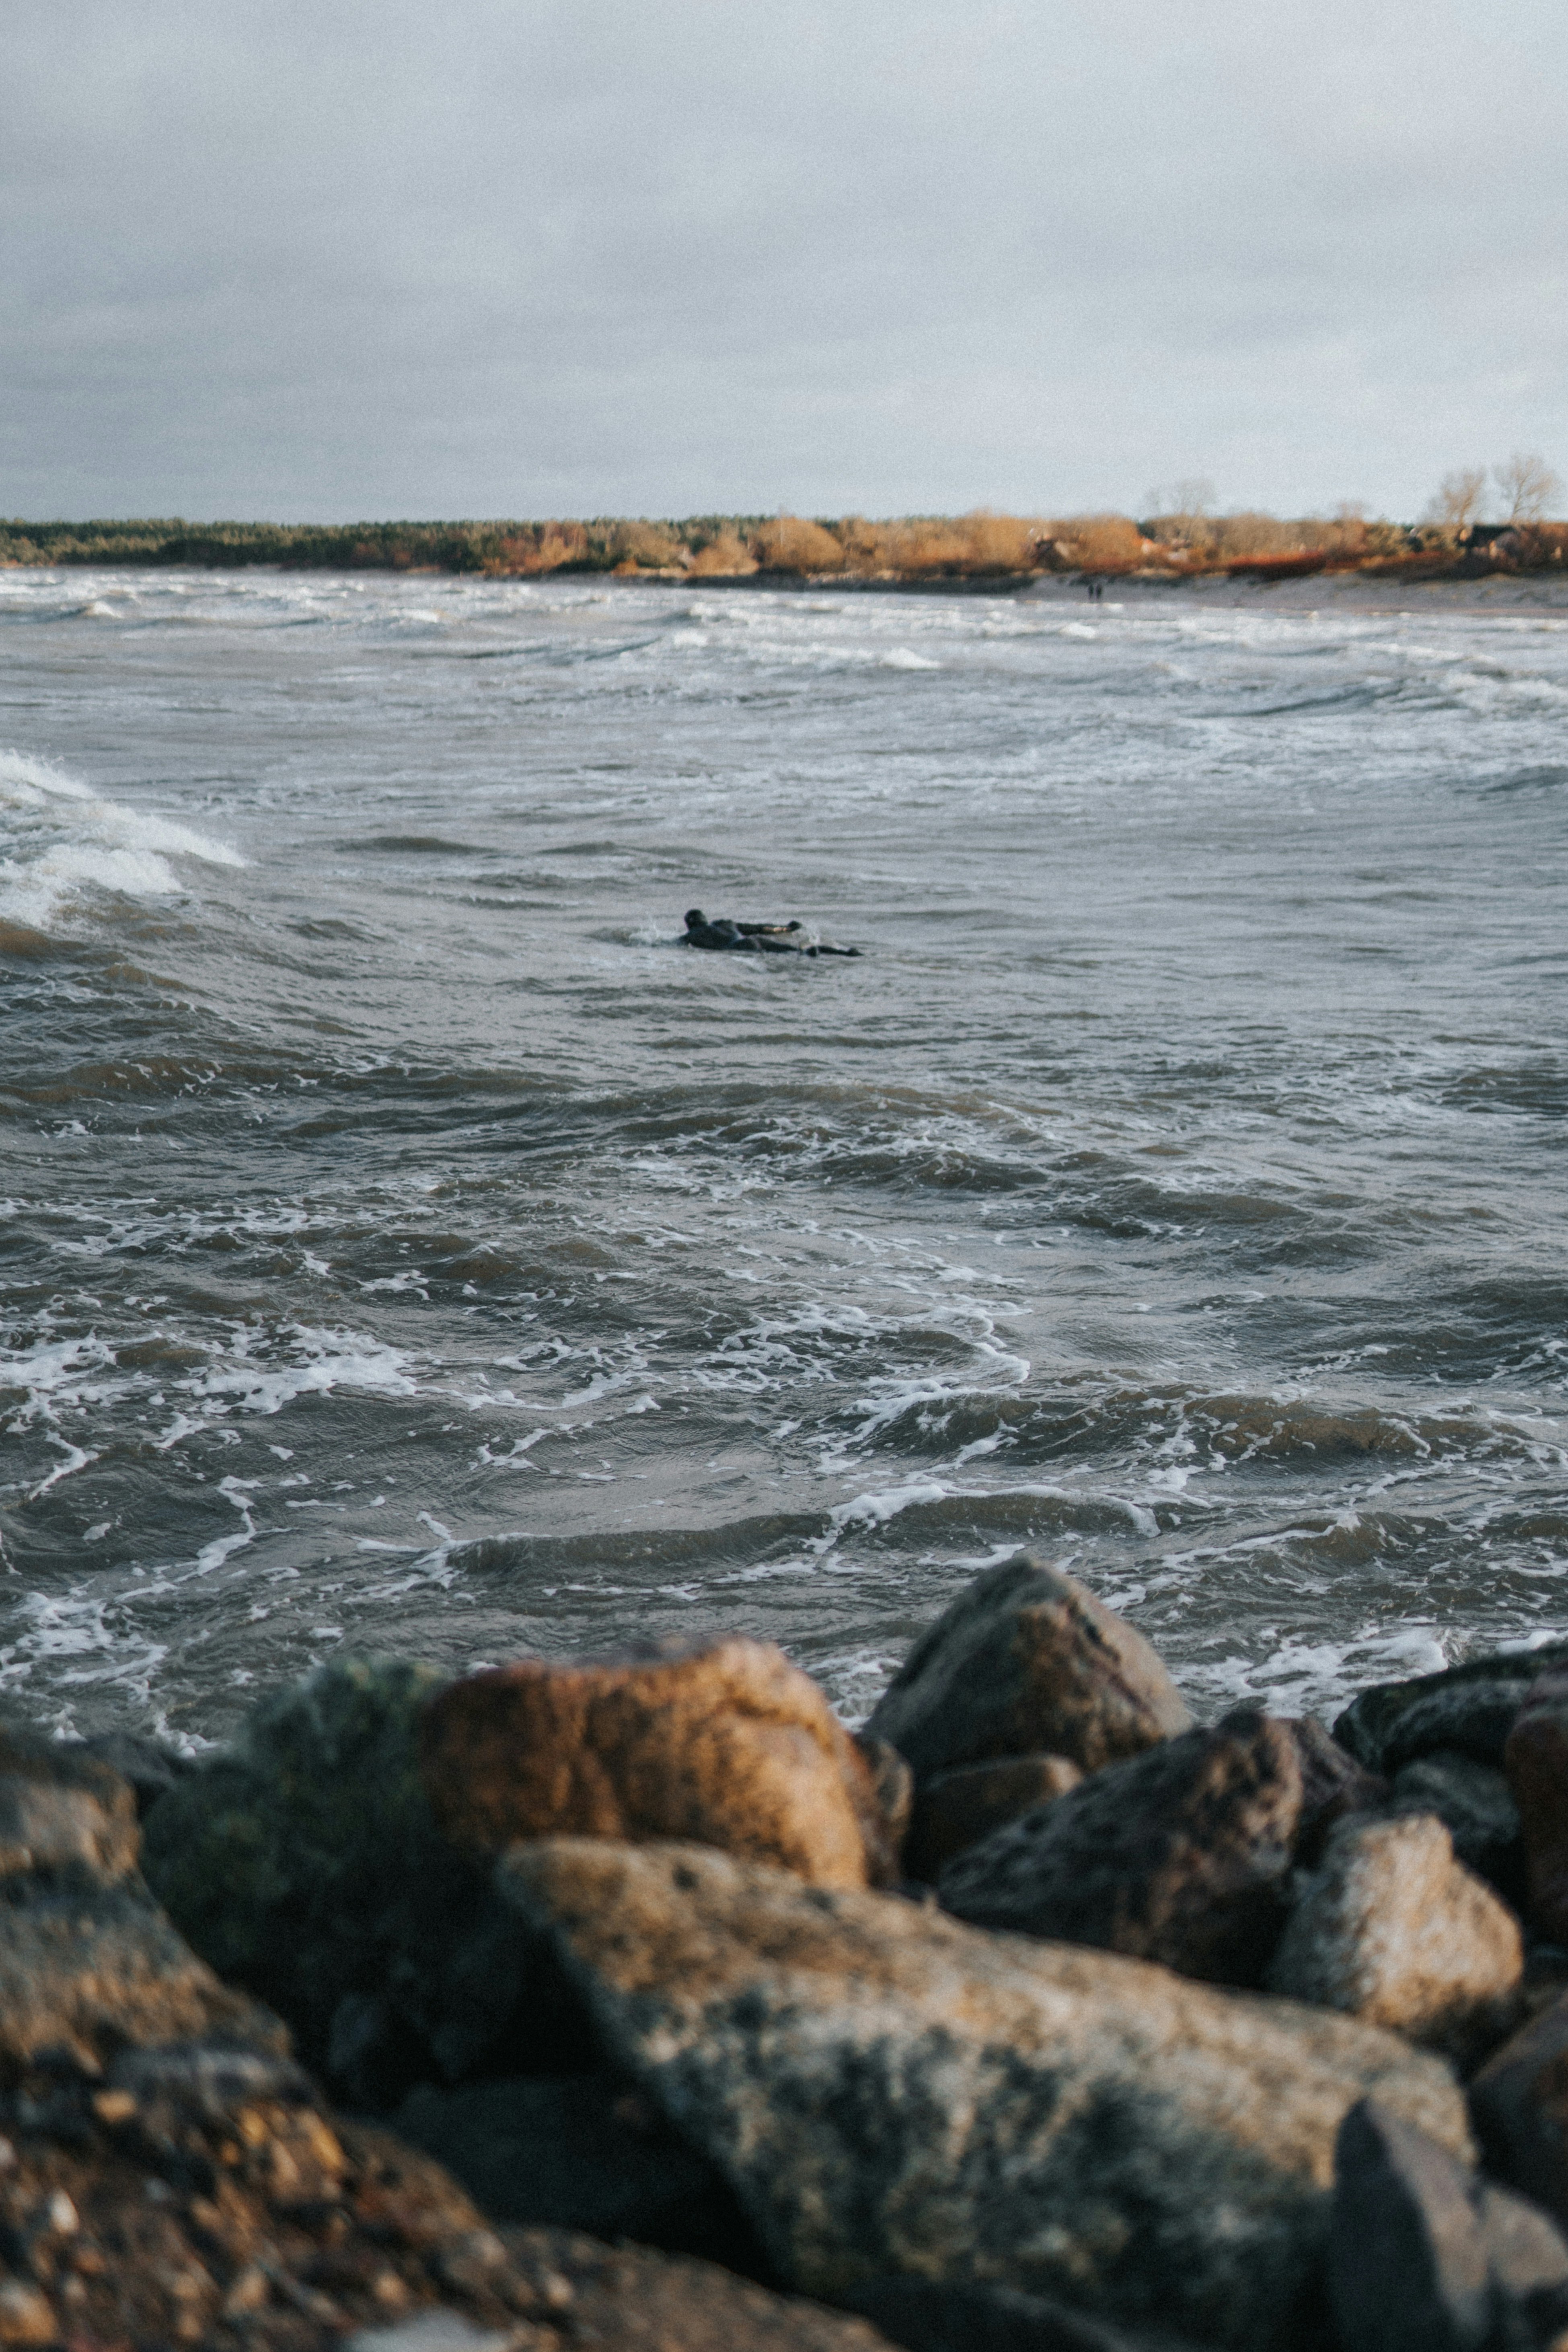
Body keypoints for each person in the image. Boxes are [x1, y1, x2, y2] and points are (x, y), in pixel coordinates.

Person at [680, 909, 859, 957]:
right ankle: (846, 953)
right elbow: (759, 928)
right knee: (797, 951)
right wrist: (786, 929)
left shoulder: (691, 936)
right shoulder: (725, 923)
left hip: (739, 948)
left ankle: (810, 954)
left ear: (689, 925)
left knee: (790, 957)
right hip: (754, 940)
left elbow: (670, 945)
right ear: (705, 918)